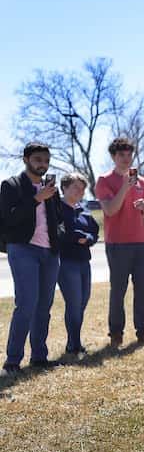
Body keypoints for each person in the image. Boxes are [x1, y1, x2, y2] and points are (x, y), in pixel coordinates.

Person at [0, 142, 64, 375]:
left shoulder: (50, 187)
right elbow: (8, 219)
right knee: (26, 304)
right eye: (38, 159)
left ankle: (39, 357)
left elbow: (58, 219)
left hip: (49, 253)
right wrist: (37, 198)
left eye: (46, 161)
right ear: (25, 159)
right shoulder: (11, 185)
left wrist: (60, 237)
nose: (43, 164)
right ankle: (12, 361)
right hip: (23, 249)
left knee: (44, 307)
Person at [95, 136, 144, 346]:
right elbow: (110, 210)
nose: (126, 158)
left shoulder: (143, 182)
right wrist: (124, 187)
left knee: (142, 289)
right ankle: (116, 333)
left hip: (141, 243)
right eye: (121, 155)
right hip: (118, 244)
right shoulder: (104, 180)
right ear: (113, 157)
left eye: (129, 154)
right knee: (118, 290)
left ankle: (143, 331)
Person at [57, 172, 100, 359]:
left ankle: (72, 342)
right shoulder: (57, 208)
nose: (79, 191)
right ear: (64, 188)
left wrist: (88, 238)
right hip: (66, 261)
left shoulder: (83, 210)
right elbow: (61, 231)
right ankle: (74, 345)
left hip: (84, 261)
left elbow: (94, 232)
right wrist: (78, 236)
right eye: (75, 187)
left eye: (82, 188)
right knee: (74, 303)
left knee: (82, 302)